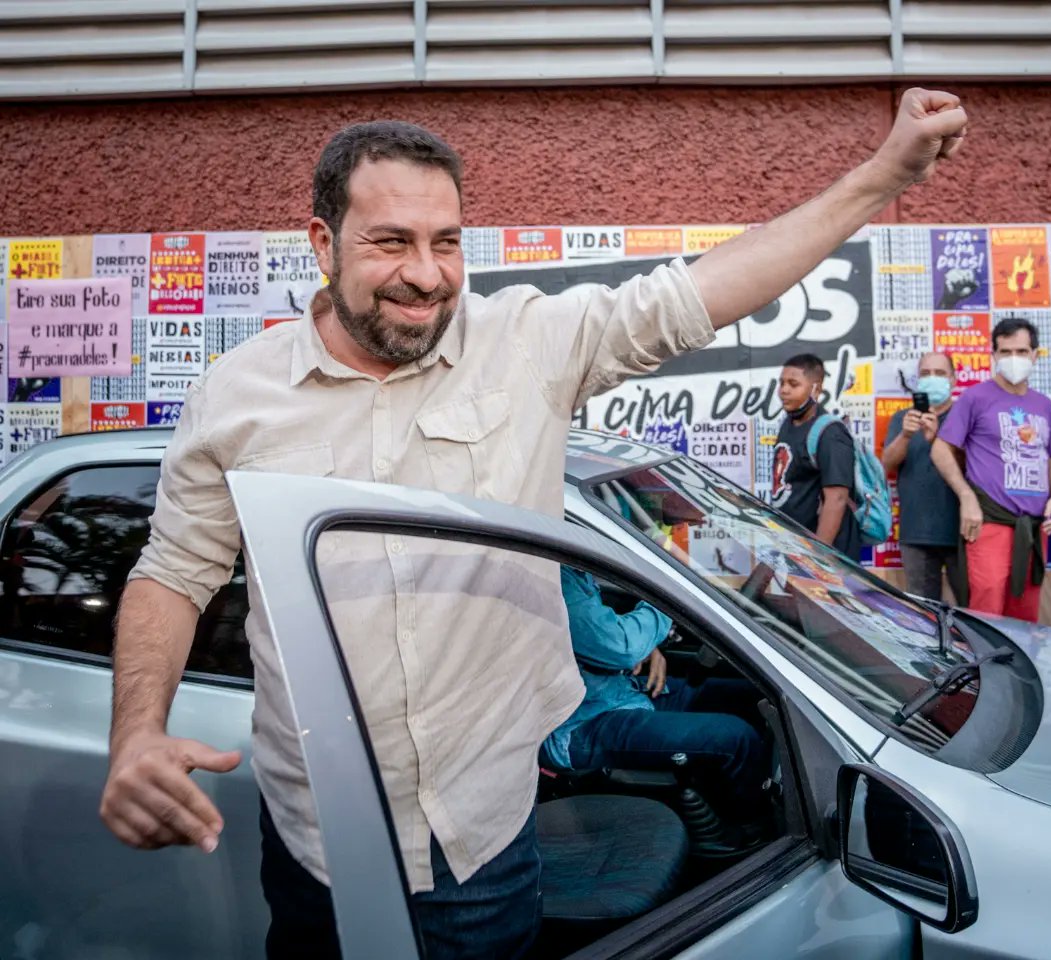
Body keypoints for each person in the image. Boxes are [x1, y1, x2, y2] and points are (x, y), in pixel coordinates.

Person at [98, 90, 972, 960]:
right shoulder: (235, 396)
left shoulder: (526, 345)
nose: (427, 272)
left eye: (446, 242)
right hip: (310, 847)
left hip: (485, 849)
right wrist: (137, 730)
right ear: (323, 243)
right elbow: (174, 572)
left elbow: (703, 291)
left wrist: (882, 177)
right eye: (391, 241)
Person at [542, 568, 765, 843]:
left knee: (752, 699)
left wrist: (647, 644)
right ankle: (752, 833)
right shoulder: (553, 576)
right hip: (581, 723)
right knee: (736, 738)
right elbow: (621, 647)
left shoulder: (570, 570)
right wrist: (668, 593)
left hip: (618, 690)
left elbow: (601, 630)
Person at [930, 317, 1051, 621]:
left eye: (1020, 351)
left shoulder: (1044, 405)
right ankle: (986, 670)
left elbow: (1050, 456)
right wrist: (966, 496)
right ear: (993, 355)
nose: (1013, 359)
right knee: (986, 609)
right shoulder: (976, 398)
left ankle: (1019, 670)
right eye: (1005, 352)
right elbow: (940, 449)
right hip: (990, 521)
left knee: (1026, 612)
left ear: (1035, 355)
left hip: (1033, 527)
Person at [880, 352, 961, 600]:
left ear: (954, 380)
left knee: (972, 609)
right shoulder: (903, 418)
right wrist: (905, 435)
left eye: (940, 373)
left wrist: (937, 439)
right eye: (926, 374)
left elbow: (974, 469)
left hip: (963, 532)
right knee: (923, 613)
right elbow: (887, 465)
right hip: (917, 531)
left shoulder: (964, 417)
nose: (932, 379)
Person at [772, 353, 864, 561]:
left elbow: (837, 498)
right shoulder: (788, 424)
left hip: (826, 557)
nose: (784, 390)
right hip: (795, 549)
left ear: (816, 389)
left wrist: (818, 558)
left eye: (793, 384)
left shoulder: (830, 433)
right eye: (782, 383)